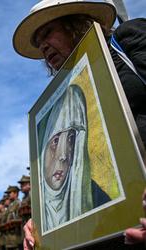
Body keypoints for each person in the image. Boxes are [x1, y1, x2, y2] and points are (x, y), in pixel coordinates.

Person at [12, 0, 146, 246]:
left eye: (48, 32)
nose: (42, 45)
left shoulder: (126, 40)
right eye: (38, 41)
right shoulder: (58, 105)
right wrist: (43, 222)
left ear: (74, 24)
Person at [40, 85, 110, 231]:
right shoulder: (37, 207)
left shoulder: (99, 200)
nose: (63, 156)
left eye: (71, 139)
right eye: (56, 141)